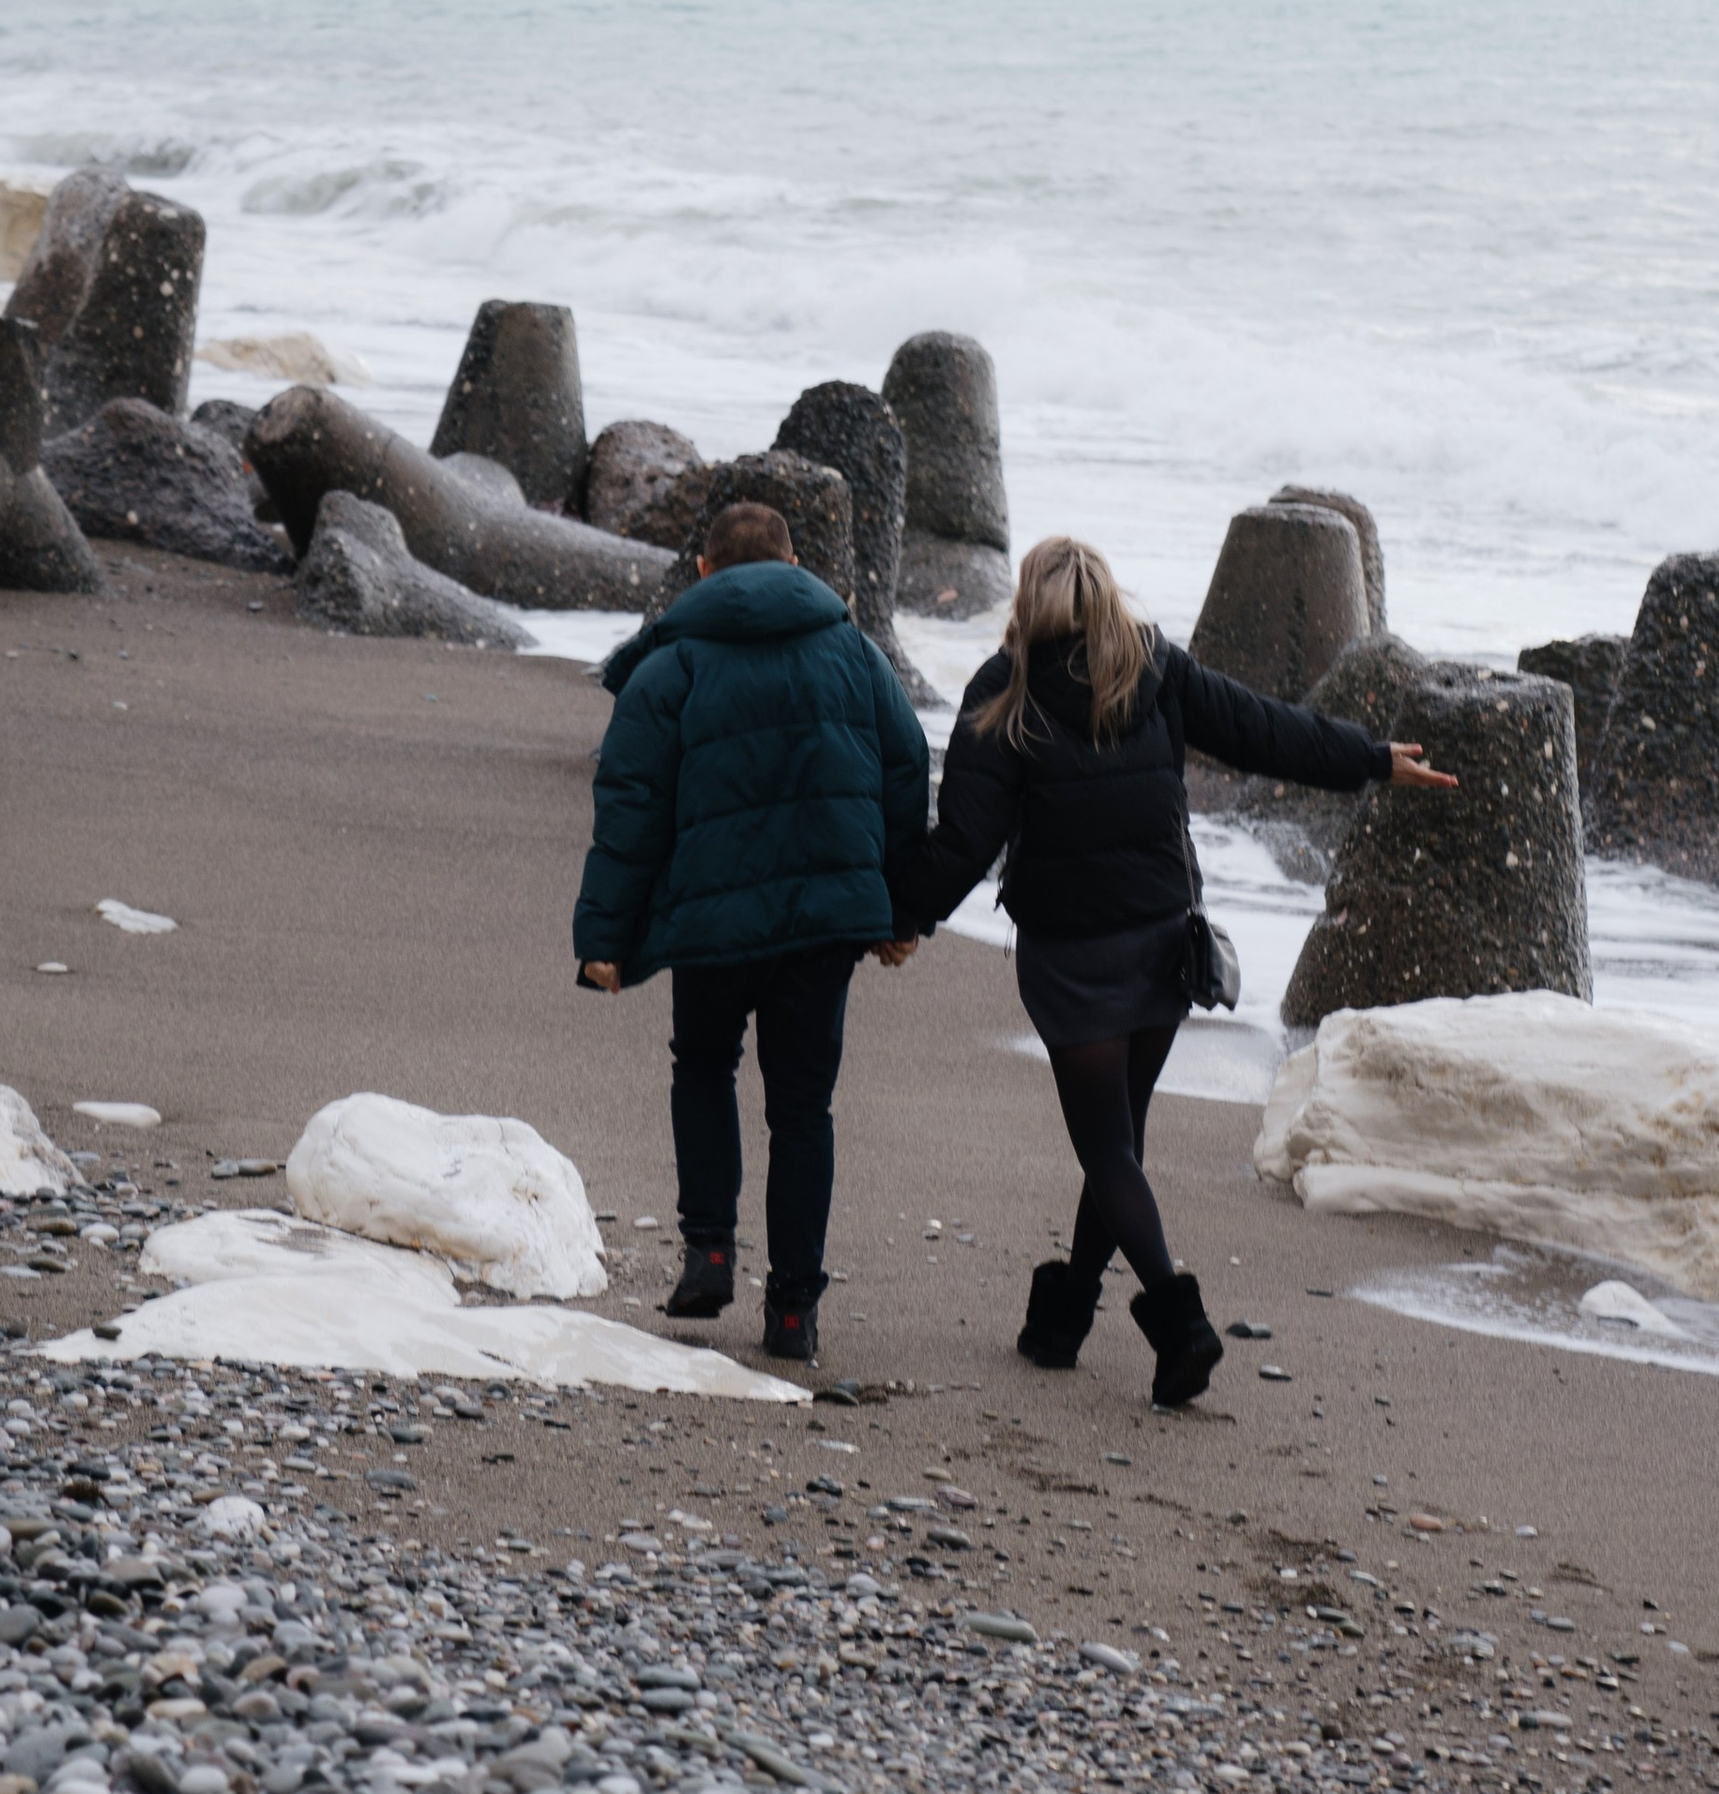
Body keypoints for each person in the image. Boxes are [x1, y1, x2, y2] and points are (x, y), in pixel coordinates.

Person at [890, 531, 1455, 1406]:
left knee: (1109, 1147)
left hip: (1074, 958)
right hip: (1160, 939)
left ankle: (1179, 1319)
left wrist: (899, 916)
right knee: (1119, 1142)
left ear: (1029, 606)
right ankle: (1064, 1315)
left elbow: (965, 839)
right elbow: (1266, 731)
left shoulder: (1005, 691)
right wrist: (1371, 757)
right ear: (1106, 598)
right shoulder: (1152, 667)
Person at [574, 498, 928, 1366]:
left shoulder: (674, 662)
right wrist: (899, 909)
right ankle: (796, 1312)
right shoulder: (852, 649)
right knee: (803, 1108)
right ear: (797, 562)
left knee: (703, 1065)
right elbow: (908, 760)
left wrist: (605, 938)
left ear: (703, 571)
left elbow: (631, 800)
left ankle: (712, 1250)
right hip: (828, 923)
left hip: (712, 920)